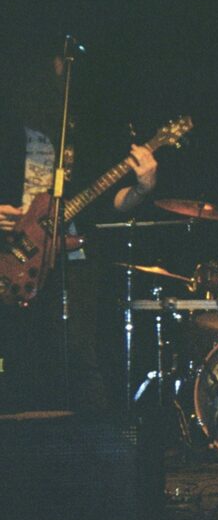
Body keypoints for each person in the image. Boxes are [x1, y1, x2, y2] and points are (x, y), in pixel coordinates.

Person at [1, 41, 157, 414]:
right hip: (9, 256)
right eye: (54, 67)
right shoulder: (9, 132)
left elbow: (108, 202)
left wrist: (143, 188)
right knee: (14, 357)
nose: (59, 76)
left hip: (73, 258)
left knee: (80, 356)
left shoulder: (81, 136)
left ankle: (91, 441)